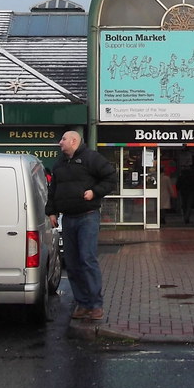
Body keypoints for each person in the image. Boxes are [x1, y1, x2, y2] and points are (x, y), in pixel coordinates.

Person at [46, 130, 116, 322]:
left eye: (63, 139)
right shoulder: (60, 163)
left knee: (87, 259)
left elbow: (111, 178)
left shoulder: (91, 158)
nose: (60, 143)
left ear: (74, 141)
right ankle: (82, 303)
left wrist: (94, 192)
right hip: (68, 218)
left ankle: (95, 305)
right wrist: (51, 211)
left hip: (87, 217)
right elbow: (53, 190)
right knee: (73, 263)